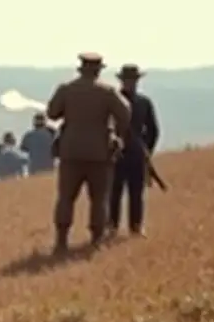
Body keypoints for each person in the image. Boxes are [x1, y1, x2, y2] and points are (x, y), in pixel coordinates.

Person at [45, 53, 132, 254]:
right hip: (99, 153)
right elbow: (125, 113)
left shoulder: (66, 89)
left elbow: (52, 113)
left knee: (66, 198)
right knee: (99, 198)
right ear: (99, 70)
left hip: (70, 152)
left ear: (81, 69)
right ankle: (96, 240)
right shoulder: (108, 92)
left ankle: (61, 241)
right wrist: (115, 132)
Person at [108, 63, 161, 237]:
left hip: (134, 154)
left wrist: (146, 150)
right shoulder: (122, 101)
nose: (130, 83)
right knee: (114, 192)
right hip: (116, 153)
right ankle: (113, 227)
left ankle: (135, 227)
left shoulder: (143, 102)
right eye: (128, 80)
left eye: (133, 80)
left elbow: (153, 130)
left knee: (135, 193)